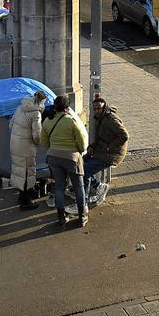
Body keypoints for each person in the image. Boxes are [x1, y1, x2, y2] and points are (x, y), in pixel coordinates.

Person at [40, 94, 88, 228]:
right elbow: (83, 144)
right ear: (67, 108)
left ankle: (61, 217)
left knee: (59, 187)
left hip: (53, 158)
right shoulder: (71, 121)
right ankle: (82, 216)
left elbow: (44, 142)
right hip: (71, 158)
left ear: (55, 107)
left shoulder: (47, 121)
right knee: (78, 186)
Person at [83, 94, 128, 204]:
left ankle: (82, 201)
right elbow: (101, 136)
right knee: (81, 163)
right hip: (103, 150)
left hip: (112, 154)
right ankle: (98, 186)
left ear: (104, 107)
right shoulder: (101, 118)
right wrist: (92, 147)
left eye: (99, 108)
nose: (97, 111)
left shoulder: (110, 119)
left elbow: (124, 135)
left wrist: (109, 147)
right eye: (95, 109)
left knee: (85, 170)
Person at [9, 90, 47, 211]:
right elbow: (37, 135)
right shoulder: (36, 113)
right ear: (42, 101)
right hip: (26, 146)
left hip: (15, 143)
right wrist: (40, 143)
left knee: (19, 171)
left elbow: (11, 124)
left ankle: (21, 196)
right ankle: (25, 202)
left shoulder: (21, 107)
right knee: (26, 173)